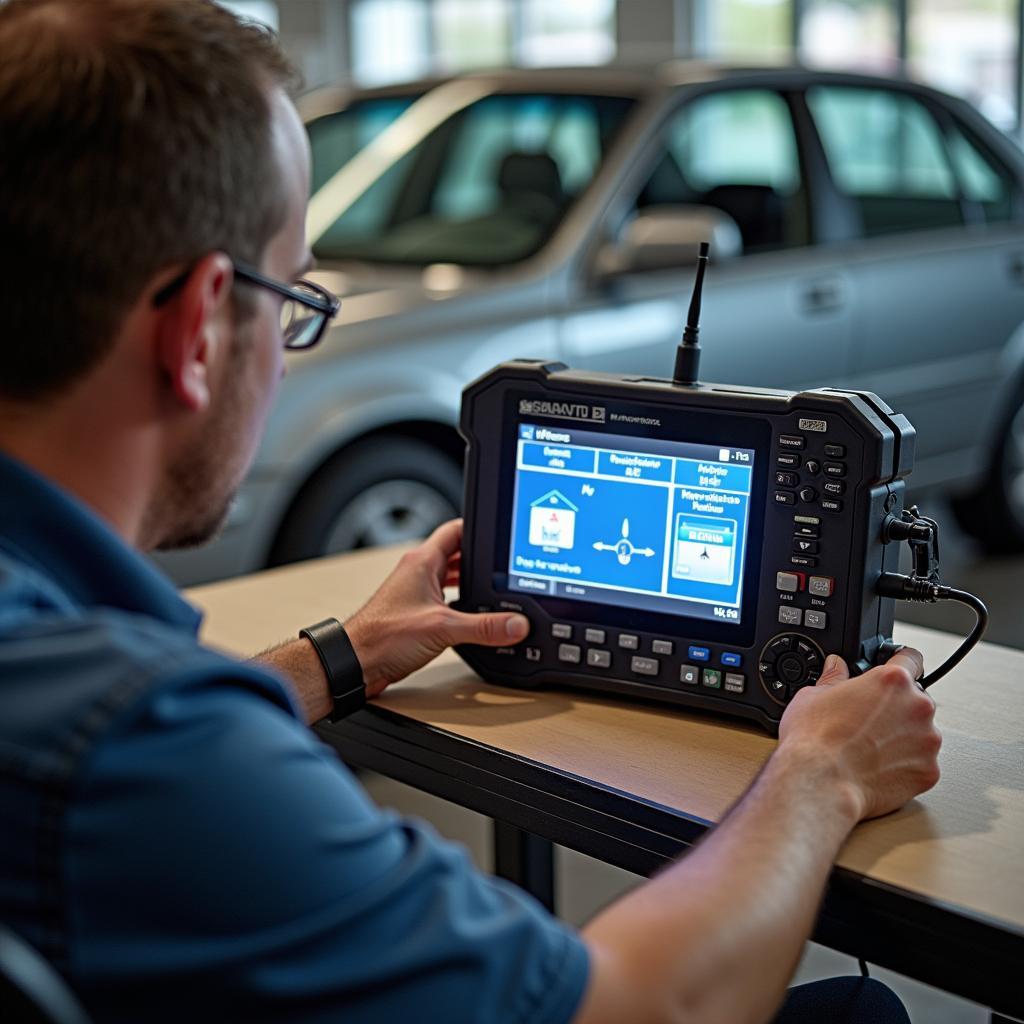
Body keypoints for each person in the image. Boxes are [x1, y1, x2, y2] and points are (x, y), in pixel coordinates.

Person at [0, 2, 941, 1022]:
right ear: (197, 332)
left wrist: (339, 655)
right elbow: (638, 1007)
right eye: (294, 305)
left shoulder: (69, 682)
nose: (287, 348)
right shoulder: (153, 749)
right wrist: (819, 772)